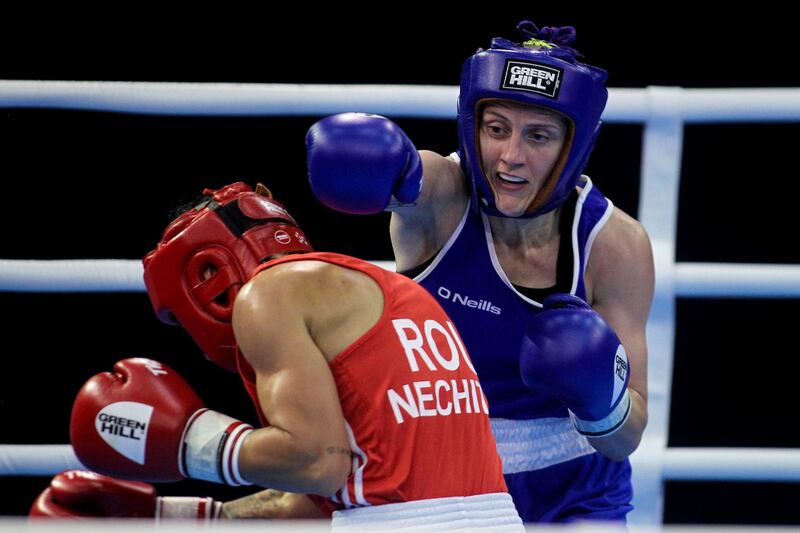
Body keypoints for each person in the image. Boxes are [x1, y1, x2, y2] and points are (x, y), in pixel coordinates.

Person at [305, 20, 654, 523]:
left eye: (538, 136)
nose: (510, 157)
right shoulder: (441, 199)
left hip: (577, 486)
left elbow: (628, 436)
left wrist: (599, 397)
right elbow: (409, 175)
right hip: (443, 473)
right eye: (496, 129)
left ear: (573, 148)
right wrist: (382, 165)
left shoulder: (614, 245)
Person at [35, 182, 523, 531]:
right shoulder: (393, 292)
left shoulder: (265, 295)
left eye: (181, 323)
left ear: (208, 279)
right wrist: (172, 516)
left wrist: (190, 442)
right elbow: (330, 493)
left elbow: (314, 464)